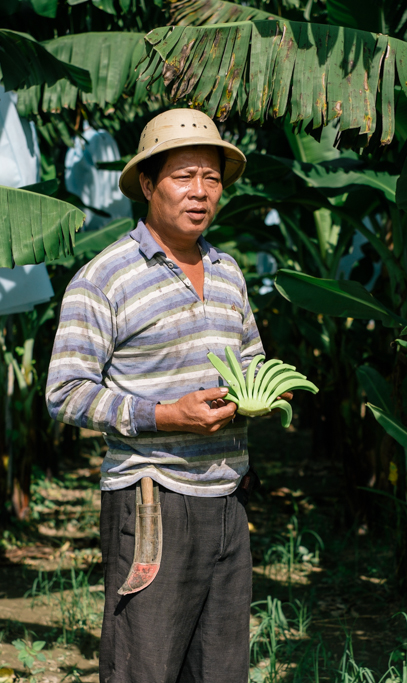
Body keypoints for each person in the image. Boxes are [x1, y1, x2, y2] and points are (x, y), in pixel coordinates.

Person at [46, 108, 265, 682]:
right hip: (153, 501)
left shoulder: (228, 273)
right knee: (145, 667)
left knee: (221, 669)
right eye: (183, 177)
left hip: (227, 496)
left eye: (211, 179)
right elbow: (66, 393)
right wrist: (167, 415)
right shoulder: (106, 277)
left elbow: (253, 361)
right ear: (148, 184)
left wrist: (256, 395)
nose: (200, 193)